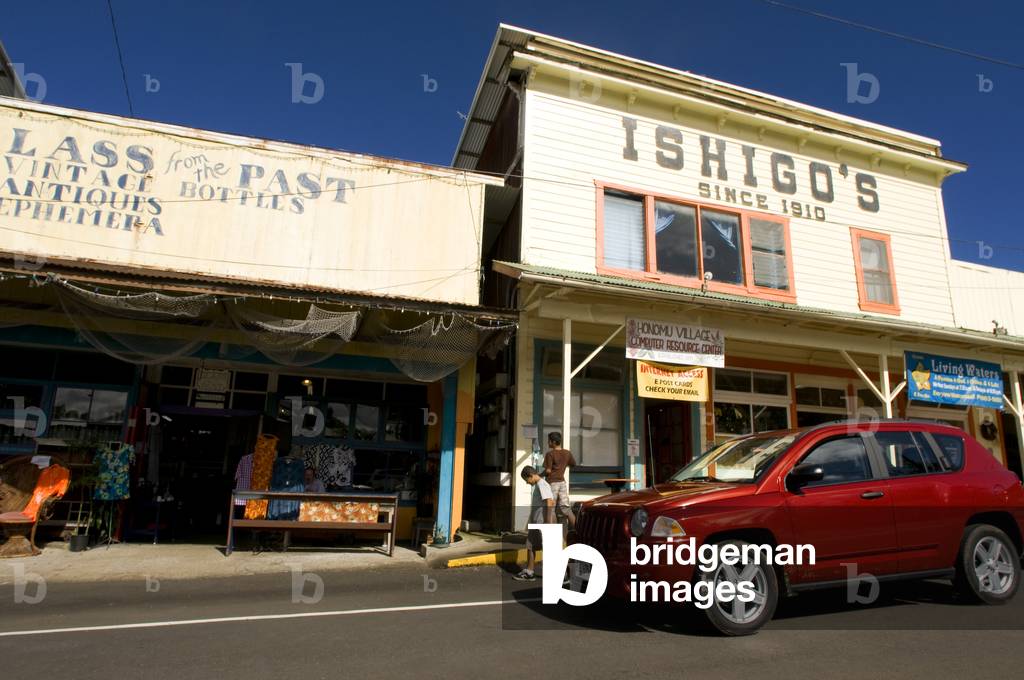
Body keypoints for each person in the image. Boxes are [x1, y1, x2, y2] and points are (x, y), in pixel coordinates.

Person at [514, 465, 554, 581]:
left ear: (530, 476)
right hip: (536, 521)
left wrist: (548, 522)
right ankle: (529, 571)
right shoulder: (538, 485)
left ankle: (562, 574)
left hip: (543, 521)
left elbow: (550, 502)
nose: (527, 483)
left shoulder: (542, 484)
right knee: (530, 545)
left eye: (526, 480)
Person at [542, 431, 577, 529]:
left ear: (553, 442)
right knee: (566, 509)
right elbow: (573, 464)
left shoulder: (550, 454)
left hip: (552, 483)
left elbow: (548, 471)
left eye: (548, 441)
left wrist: (539, 475)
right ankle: (579, 531)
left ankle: (552, 535)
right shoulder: (567, 453)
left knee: (551, 509)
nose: (548, 443)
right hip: (562, 483)